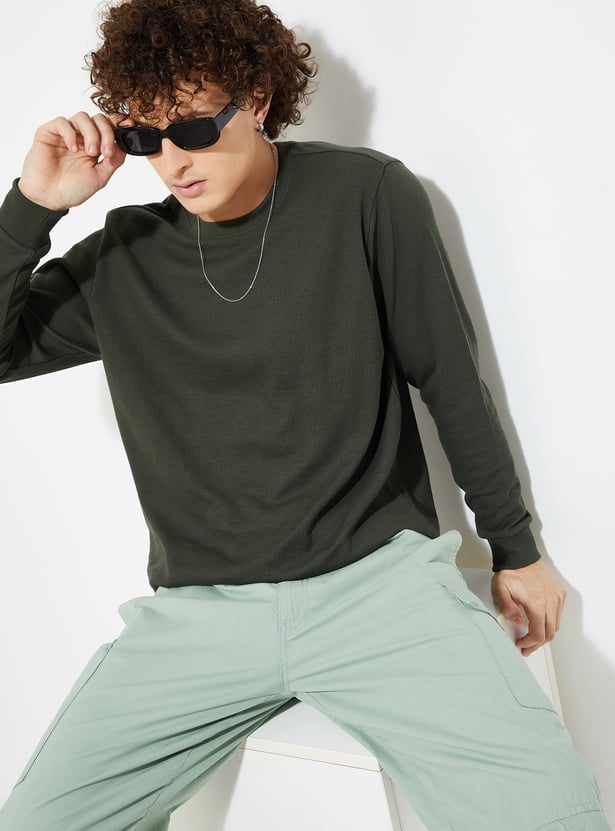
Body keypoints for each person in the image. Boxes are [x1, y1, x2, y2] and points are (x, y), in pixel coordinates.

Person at [0, 0, 609, 828]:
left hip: (378, 594)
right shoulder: (121, 258)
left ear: (255, 99)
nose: (172, 160)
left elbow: (447, 377)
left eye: (194, 127)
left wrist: (516, 547)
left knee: (548, 812)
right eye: (146, 138)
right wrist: (33, 205)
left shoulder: (363, 194)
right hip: (199, 614)